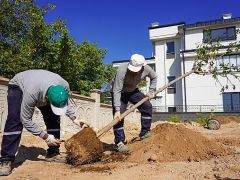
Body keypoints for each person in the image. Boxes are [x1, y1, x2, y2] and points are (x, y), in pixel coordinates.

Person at [0, 70, 77, 176]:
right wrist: (46, 137)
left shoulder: (64, 86)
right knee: (15, 119)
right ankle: (6, 159)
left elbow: (63, 101)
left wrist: (75, 118)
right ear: (46, 99)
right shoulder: (32, 93)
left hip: (41, 85)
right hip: (19, 85)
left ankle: (53, 153)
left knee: (53, 118)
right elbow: (26, 120)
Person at [111, 53, 157, 153]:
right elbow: (116, 90)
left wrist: (151, 90)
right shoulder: (121, 70)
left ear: (142, 67)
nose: (133, 73)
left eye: (136, 71)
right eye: (132, 70)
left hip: (133, 91)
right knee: (119, 117)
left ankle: (144, 132)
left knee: (147, 106)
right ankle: (120, 142)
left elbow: (154, 77)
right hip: (120, 92)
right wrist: (117, 110)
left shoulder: (147, 69)